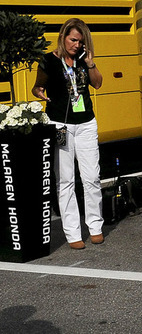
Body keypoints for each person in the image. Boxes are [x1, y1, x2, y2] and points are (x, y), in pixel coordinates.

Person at [32, 18, 104, 250]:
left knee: (91, 176)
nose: (76, 45)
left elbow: (98, 84)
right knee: (65, 180)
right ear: (63, 37)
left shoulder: (84, 60)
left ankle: (95, 226)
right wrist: (39, 92)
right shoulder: (48, 60)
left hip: (86, 123)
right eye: (73, 40)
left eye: (80, 42)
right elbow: (37, 86)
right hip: (59, 124)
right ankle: (73, 231)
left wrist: (91, 63)